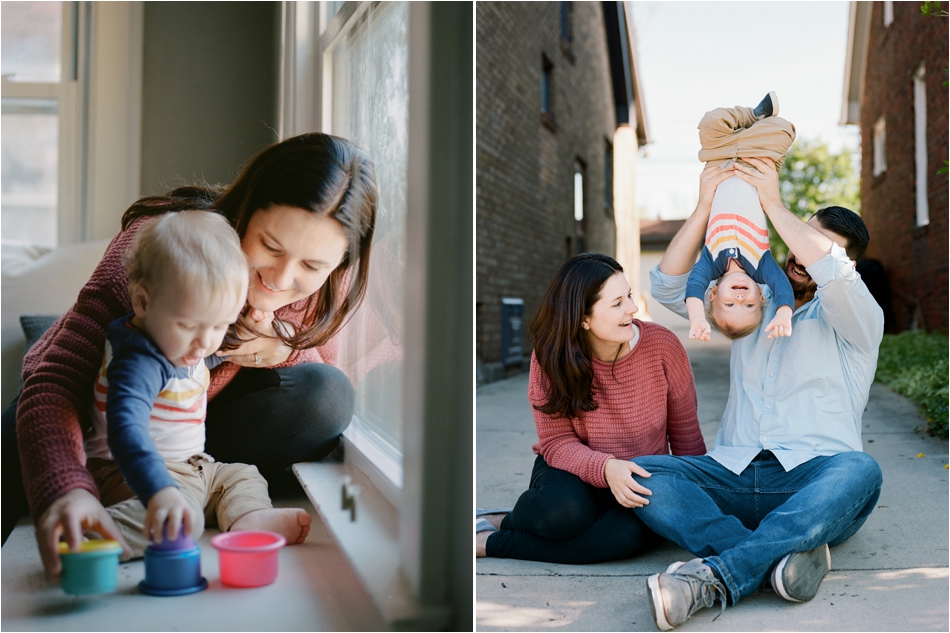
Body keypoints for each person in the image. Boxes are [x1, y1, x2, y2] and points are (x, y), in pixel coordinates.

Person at [3, 133, 377, 578]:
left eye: (313, 267)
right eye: (271, 247)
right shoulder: (163, 247)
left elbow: (323, 375)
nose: (280, 278)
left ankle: (197, 492)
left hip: (190, 436)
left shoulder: (321, 290)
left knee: (327, 393)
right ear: (245, 210)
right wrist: (65, 487)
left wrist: (282, 350)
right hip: (91, 416)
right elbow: (56, 383)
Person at [635, 156, 884, 630]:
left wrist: (771, 201)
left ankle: (712, 578)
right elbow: (668, 288)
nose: (797, 252)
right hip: (734, 471)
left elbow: (834, 274)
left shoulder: (859, 319)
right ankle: (777, 561)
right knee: (640, 473)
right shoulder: (750, 299)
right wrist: (705, 204)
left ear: (843, 261)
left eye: (815, 245)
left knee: (862, 470)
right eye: (798, 238)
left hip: (814, 481)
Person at [88, 211, 310, 557]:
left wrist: (253, 331)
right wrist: (159, 490)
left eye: (219, 324)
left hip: (194, 467)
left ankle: (250, 518)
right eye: (191, 326)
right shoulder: (139, 361)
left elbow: (214, 352)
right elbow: (125, 432)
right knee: (183, 522)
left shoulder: (177, 339)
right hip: (133, 475)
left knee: (242, 475)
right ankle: (90, 536)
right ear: (143, 301)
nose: (204, 343)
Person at [475, 253, 706, 564]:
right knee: (563, 515)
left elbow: (686, 433)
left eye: (629, 296)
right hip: (572, 467)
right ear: (583, 318)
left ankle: (493, 539)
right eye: (617, 304)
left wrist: (698, 498)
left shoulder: (663, 346)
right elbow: (555, 443)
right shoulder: (551, 359)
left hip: (637, 476)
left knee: (622, 539)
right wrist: (605, 468)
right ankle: (506, 523)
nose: (633, 309)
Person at [686, 92, 796, 342]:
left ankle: (753, 117)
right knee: (784, 129)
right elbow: (783, 288)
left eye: (730, 305)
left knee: (709, 122)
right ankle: (745, 135)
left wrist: (697, 318)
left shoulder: (710, 262)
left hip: (720, 162)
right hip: (756, 163)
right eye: (749, 307)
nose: (740, 300)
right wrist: (783, 315)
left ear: (712, 294)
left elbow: (693, 287)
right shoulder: (761, 265)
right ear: (760, 295)